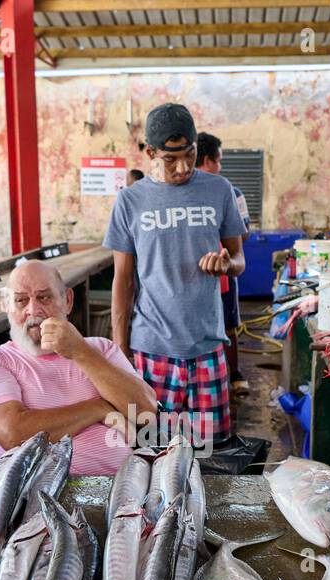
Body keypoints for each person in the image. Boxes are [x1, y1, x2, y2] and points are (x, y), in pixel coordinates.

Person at [104, 103, 245, 450]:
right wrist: (120, 353)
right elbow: (123, 281)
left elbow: (240, 259)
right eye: (171, 159)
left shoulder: (219, 190)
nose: (183, 167)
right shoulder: (130, 202)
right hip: (151, 350)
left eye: (190, 154)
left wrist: (228, 264)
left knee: (211, 455)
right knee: (153, 453)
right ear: (150, 152)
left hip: (208, 348)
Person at [0, 260, 157, 476]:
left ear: (67, 300)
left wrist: (80, 351)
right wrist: (99, 408)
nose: (33, 310)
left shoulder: (101, 349)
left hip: (123, 489)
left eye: (44, 297)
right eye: (20, 301)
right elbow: (14, 434)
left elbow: (145, 410)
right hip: (41, 498)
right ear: (6, 307)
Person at [195, 131, 252, 398]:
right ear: (207, 160)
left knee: (228, 324)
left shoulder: (231, 193)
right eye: (218, 161)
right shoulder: (184, 194)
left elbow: (242, 235)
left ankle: (234, 372)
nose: (220, 167)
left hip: (223, 274)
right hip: (192, 278)